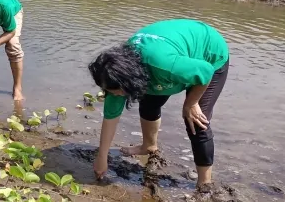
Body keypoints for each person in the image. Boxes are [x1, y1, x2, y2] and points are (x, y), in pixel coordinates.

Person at [88, 19, 230, 192]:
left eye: (116, 91)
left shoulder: (163, 65)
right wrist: (102, 156)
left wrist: (191, 103)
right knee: (148, 103)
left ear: (128, 81)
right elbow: (111, 118)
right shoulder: (115, 76)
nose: (114, 95)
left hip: (209, 55)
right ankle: (148, 146)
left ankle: (204, 183)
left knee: (196, 120)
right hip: (173, 56)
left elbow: (204, 71)